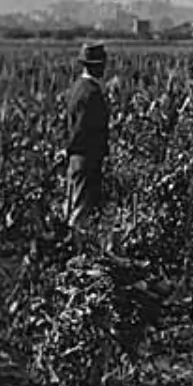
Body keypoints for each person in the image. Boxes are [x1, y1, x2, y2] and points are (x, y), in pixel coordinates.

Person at [63, 41, 111, 249]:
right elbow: (83, 129)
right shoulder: (91, 92)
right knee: (80, 210)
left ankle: (73, 250)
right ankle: (74, 253)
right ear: (95, 66)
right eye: (102, 64)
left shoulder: (77, 88)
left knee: (74, 204)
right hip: (86, 158)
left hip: (78, 157)